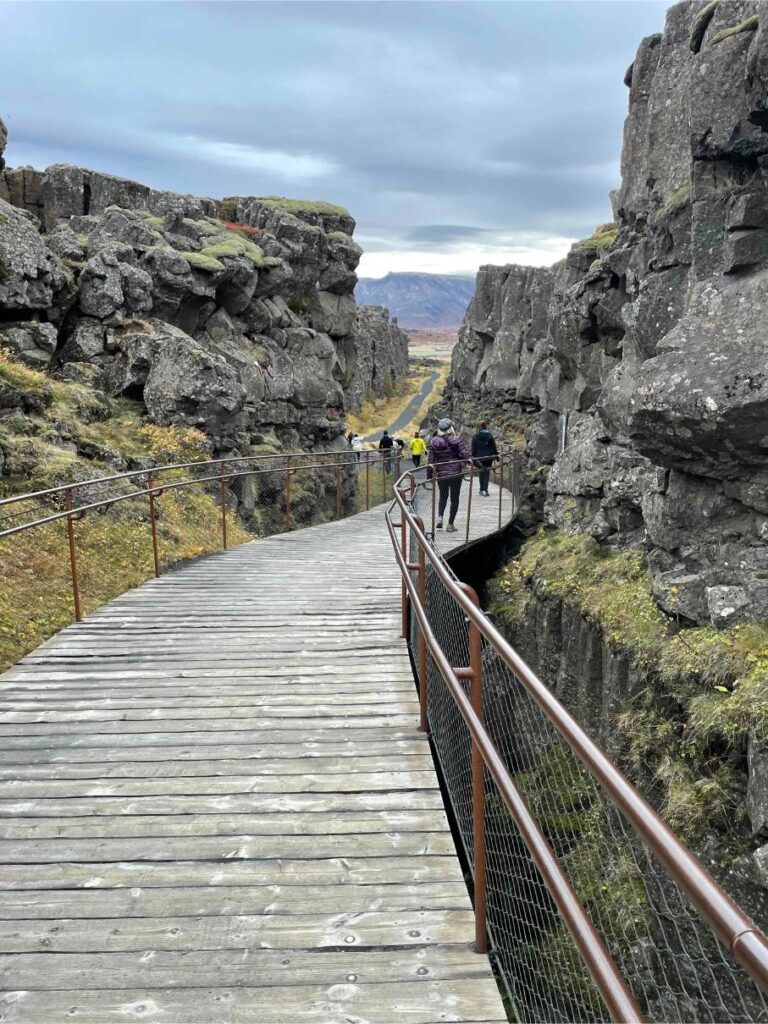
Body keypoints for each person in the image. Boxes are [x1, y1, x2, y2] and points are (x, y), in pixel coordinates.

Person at [427, 418, 470, 533]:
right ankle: (450, 525)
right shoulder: (456, 440)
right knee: (454, 499)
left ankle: (440, 518)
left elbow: (430, 460)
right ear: (451, 428)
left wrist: (429, 477)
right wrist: (471, 462)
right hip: (456, 473)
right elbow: (465, 455)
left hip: (441, 474)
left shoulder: (434, 441)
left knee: (443, 496)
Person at [471, 421, 499, 496]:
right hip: (488, 457)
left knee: (481, 472)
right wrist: (496, 456)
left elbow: (473, 449)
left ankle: (481, 489)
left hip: (479, 458)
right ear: (485, 427)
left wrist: (473, 457)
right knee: (486, 473)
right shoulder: (490, 436)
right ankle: (485, 490)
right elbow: (494, 447)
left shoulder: (475, 437)